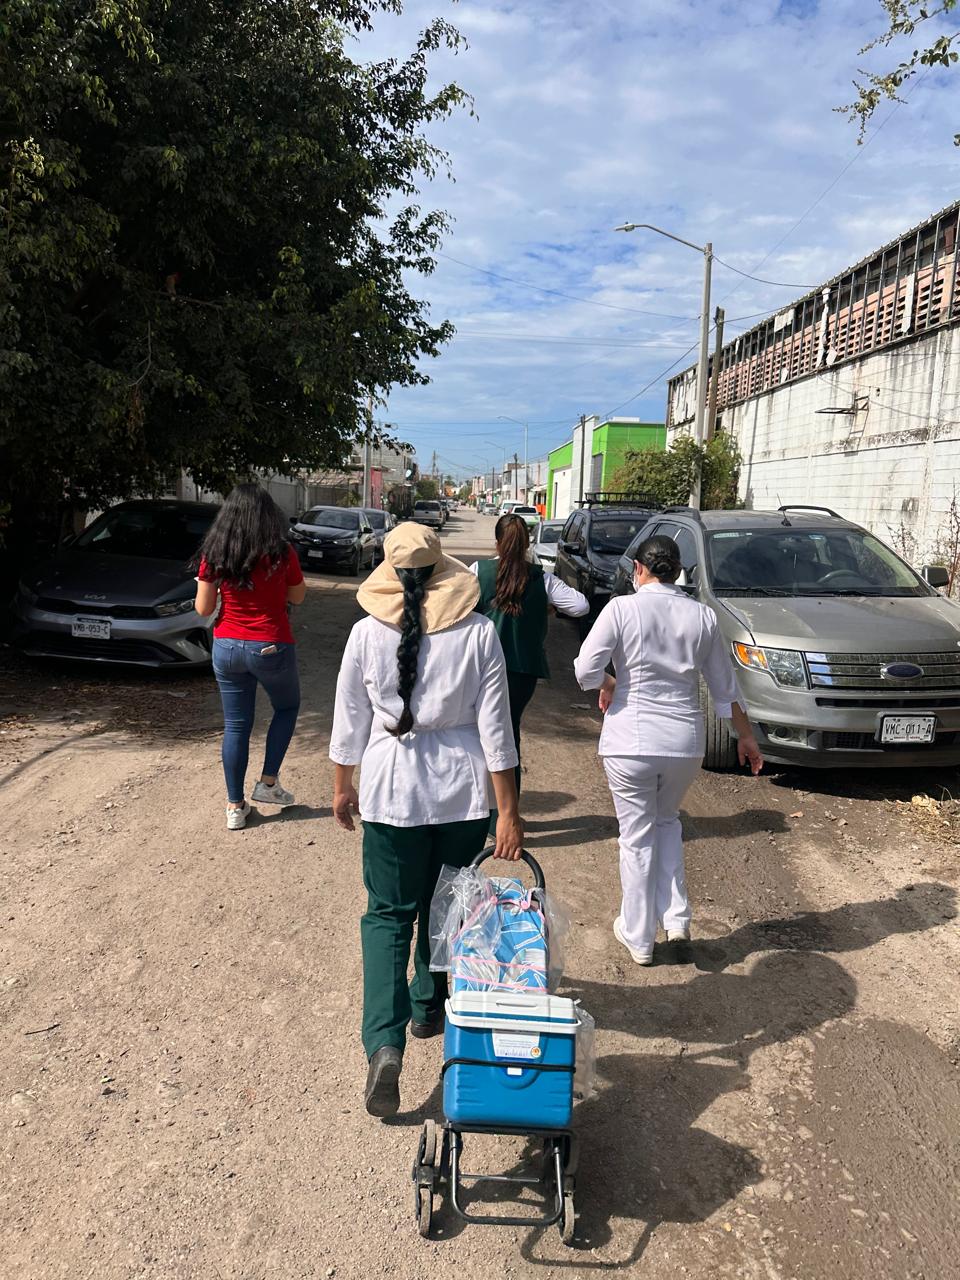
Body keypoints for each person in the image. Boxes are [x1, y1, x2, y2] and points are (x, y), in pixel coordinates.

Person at [329, 523, 524, 1118]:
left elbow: (348, 716)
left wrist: (342, 785)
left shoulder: (366, 632)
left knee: (389, 914)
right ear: (444, 572)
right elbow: (497, 729)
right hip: (461, 793)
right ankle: (427, 1006)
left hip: (391, 789)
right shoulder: (479, 632)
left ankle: (384, 1044)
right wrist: (508, 812)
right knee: (448, 907)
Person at [574, 534, 763, 966]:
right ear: (677, 572)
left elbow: (585, 670)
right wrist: (746, 737)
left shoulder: (621, 609)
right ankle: (676, 918)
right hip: (683, 742)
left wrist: (610, 682)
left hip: (631, 741)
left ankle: (639, 935)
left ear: (639, 569)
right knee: (666, 822)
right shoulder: (702, 616)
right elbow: (725, 688)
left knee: (636, 836)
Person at [194, 484, 306, 830]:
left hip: (227, 645)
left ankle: (234, 806)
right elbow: (298, 597)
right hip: (270, 644)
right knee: (286, 708)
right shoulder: (282, 552)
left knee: (237, 725)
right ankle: (268, 783)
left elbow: (203, 609)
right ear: (268, 515)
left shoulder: (216, 552)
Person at [469, 513, 588, 797]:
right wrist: (546, 607)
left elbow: (457, 607)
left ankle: (488, 807)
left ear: (497, 543)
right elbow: (580, 606)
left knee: (478, 732)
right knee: (508, 732)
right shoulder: (541, 578)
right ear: (526, 545)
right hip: (523, 669)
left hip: (480, 667)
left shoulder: (478, 571)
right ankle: (507, 807)